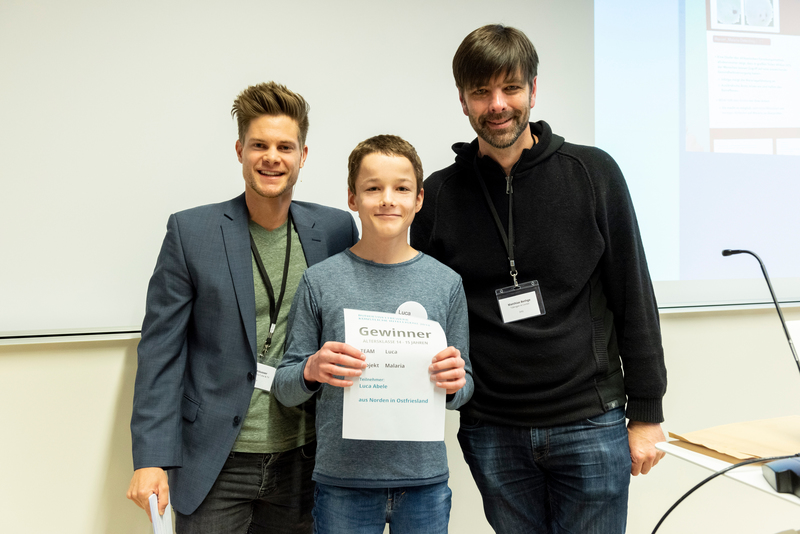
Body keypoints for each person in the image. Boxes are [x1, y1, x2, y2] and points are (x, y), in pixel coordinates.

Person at [409, 24, 668, 533]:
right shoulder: (438, 194)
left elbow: (634, 295)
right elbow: (418, 309)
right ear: (462, 100)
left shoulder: (592, 173)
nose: (497, 104)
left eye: (510, 88)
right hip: (492, 428)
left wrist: (646, 413)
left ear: (533, 90)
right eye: (481, 92)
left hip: (590, 421)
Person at [126, 82, 358, 533]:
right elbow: (160, 352)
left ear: (303, 156)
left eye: (284, 147)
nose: (272, 157)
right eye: (259, 145)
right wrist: (151, 458)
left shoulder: (335, 230)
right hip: (215, 461)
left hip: (304, 459)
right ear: (240, 151)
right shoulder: (191, 232)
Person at [272, 135, 473, 534]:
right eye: (373, 188)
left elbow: (463, 388)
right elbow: (284, 387)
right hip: (343, 484)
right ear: (352, 198)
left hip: (424, 483)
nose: (387, 200)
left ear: (419, 199)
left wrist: (455, 383)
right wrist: (311, 369)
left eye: (402, 188)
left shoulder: (446, 283)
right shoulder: (319, 281)